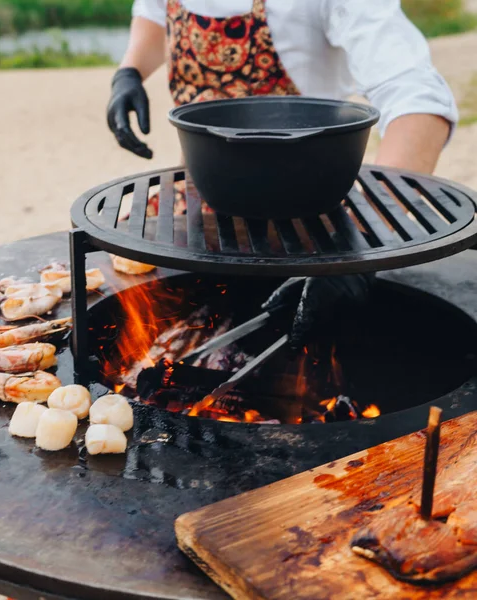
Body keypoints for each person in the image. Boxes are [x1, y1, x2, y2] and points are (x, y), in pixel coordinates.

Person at [106, 0, 458, 349]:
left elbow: (418, 98)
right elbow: (153, 13)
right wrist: (129, 72)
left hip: (306, 235)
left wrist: (363, 251)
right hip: (197, 210)